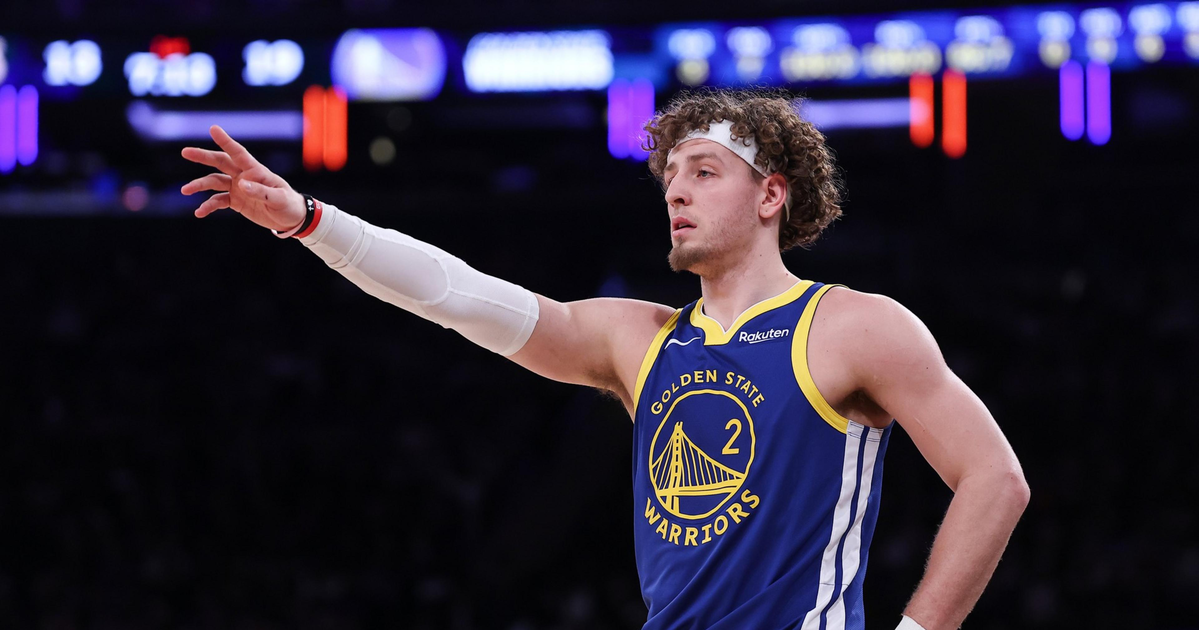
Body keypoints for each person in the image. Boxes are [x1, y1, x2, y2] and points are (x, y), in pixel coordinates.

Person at [181, 90, 1029, 630]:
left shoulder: (854, 326)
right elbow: (458, 295)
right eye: (669, 176)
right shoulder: (638, 340)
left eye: (704, 171)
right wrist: (309, 220)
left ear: (772, 194)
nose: (676, 191)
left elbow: (995, 479)